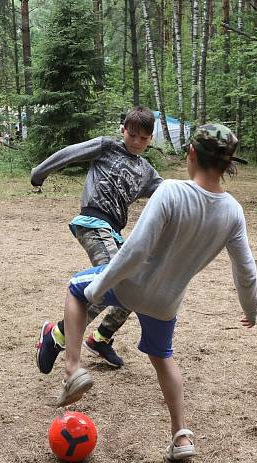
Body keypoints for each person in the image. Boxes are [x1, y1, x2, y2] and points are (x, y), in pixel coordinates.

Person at [42, 124, 257, 462]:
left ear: (191, 155)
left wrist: (101, 286)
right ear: (229, 164)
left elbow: (137, 248)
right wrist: (252, 308)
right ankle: (181, 434)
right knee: (163, 359)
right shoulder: (232, 210)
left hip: (131, 284)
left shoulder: (172, 191)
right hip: (166, 302)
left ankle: (73, 368)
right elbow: (245, 270)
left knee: (76, 290)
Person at [32, 106, 162, 370]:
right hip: (93, 222)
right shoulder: (107, 147)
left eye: (144, 138)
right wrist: (40, 172)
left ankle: (101, 338)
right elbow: (70, 153)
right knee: (115, 283)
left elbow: (168, 193)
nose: (137, 142)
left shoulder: (147, 171)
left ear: (150, 139)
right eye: (132, 135)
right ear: (123, 130)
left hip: (113, 231)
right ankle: (56, 335)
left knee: (135, 286)